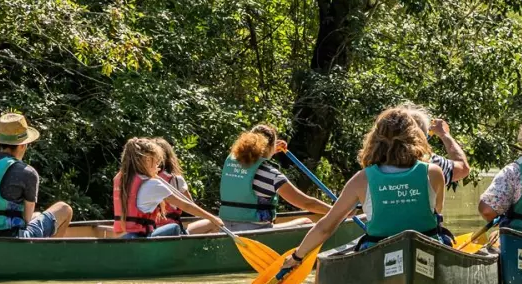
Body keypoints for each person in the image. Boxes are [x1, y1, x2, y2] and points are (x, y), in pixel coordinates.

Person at [280, 107, 449, 269]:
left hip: (378, 251)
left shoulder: (361, 179)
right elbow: (437, 212)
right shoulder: (433, 173)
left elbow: (326, 226)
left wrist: (297, 257)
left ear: (374, 141)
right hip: (426, 250)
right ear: (416, 138)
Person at [189, 124, 332, 234]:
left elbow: (251, 156)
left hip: (226, 228)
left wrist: (271, 149)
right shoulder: (271, 175)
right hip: (254, 231)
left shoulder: (231, 161)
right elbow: (307, 203)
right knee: (306, 221)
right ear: (269, 147)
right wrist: (338, 210)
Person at [114, 137, 224, 238]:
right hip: (142, 239)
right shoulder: (152, 184)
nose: (158, 165)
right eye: (156, 160)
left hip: (125, 237)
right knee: (174, 227)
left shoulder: (123, 180)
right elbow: (186, 205)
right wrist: (213, 218)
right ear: (147, 160)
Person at [401, 104, 471, 189]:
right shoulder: (431, 163)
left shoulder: (380, 160)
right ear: (423, 135)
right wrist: (444, 134)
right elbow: (463, 168)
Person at [151, 137, 192, 231]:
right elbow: (190, 205)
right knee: (212, 223)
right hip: (171, 229)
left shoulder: (144, 179)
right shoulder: (177, 179)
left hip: (149, 229)